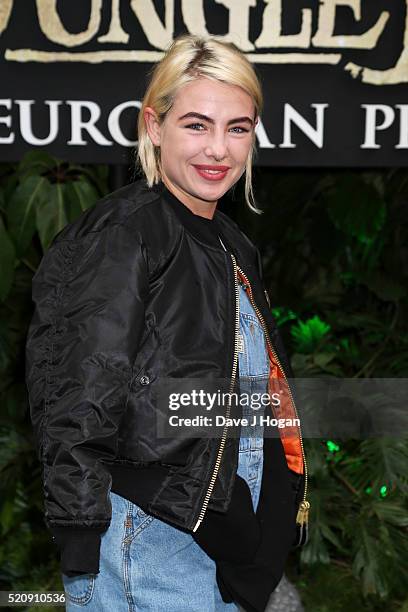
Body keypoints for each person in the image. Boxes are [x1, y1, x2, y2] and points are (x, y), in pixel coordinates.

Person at [25, 34, 309, 612]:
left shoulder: (231, 244)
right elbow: (76, 397)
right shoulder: (124, 233)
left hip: (213, 545)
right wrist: (82, 534)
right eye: (197, 125)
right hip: (147, 544)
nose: (219, 150)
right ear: (154, 127)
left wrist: (254, 525)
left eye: (237, 128)